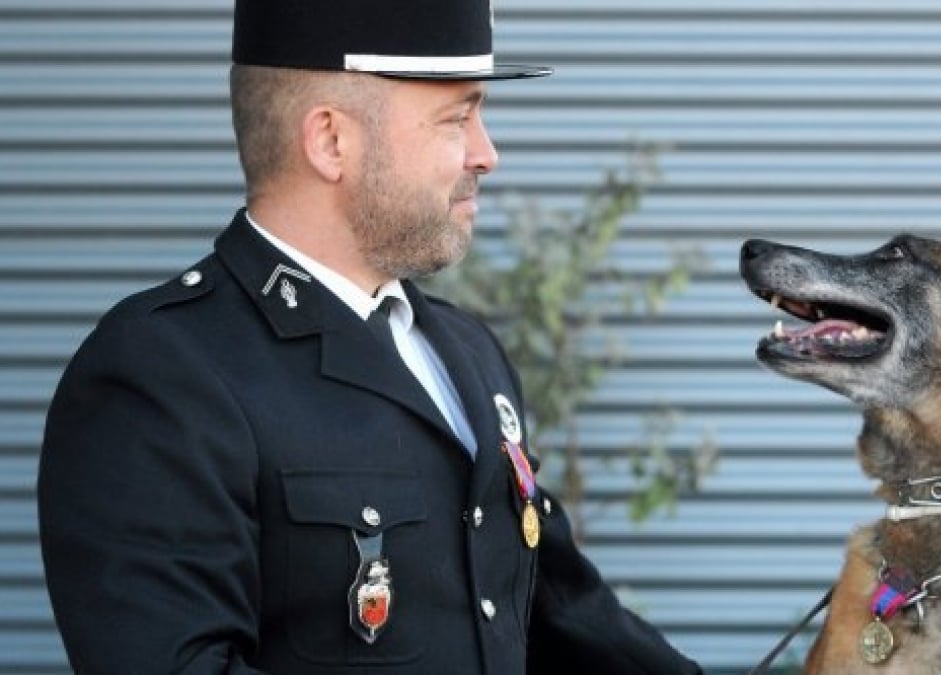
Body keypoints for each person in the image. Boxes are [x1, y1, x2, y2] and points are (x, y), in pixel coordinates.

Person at [37, 0, 703, 673]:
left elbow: (556, 607)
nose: (487, 153)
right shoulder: (164, 373)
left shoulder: (468, 353)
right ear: (331, 141)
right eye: (457, 117)